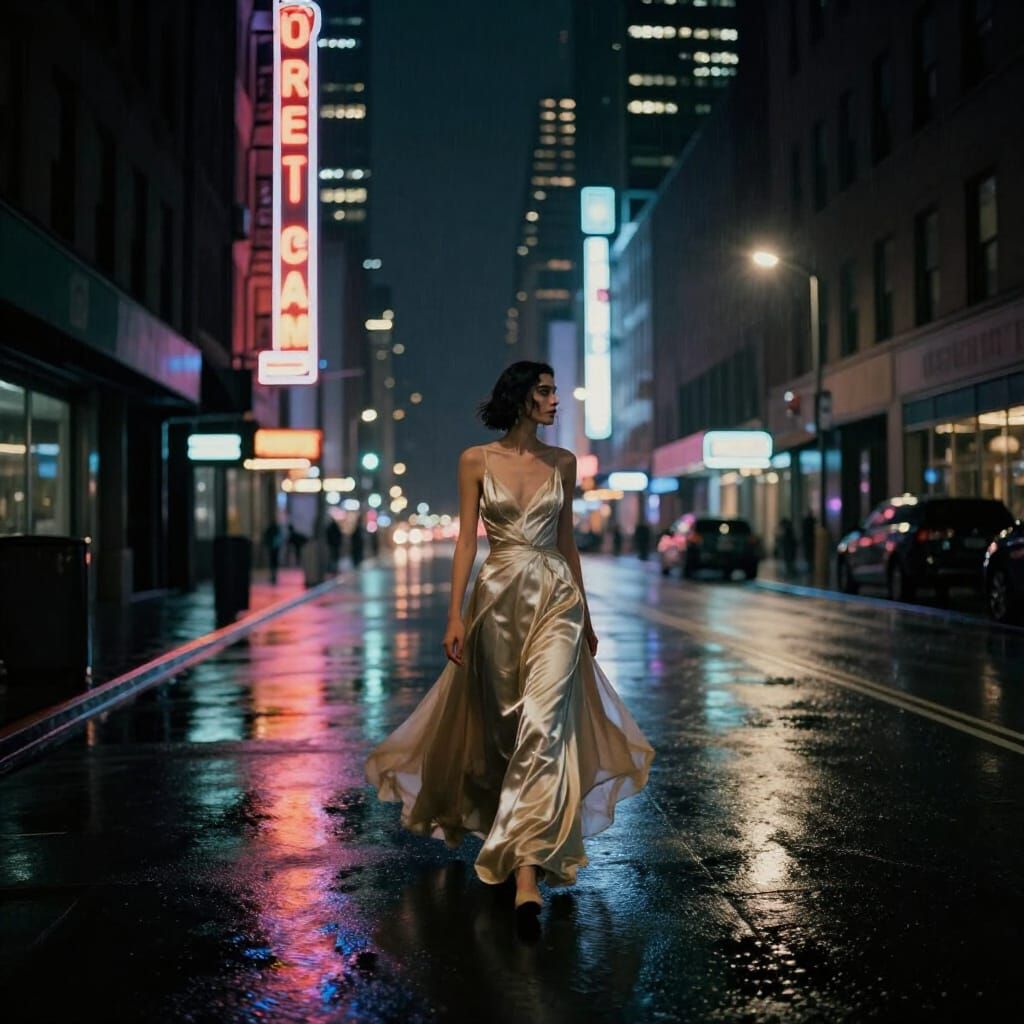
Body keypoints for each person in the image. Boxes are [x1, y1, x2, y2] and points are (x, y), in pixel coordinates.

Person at [365, 361, 653, 921]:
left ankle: (525, 871)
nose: (554, 401)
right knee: (503, 732)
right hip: (494, 602)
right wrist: (455, 615)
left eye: (554, 392)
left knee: (544, 727)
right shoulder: (476, 460)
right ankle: (508, 825)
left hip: (557, 600)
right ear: (521, 399)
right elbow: (466, 544)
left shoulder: (564, 464)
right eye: (545, 392)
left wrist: (586, 614)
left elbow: (567, 544)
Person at [262, 520, 284, 584]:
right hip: (276, 548)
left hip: (271, 547)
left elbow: (266, 537)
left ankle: (273, 574)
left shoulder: (270, 530)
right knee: (274, 561)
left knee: (272, 561)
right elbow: (280, 538)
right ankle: (274, 574)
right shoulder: (277, 530)